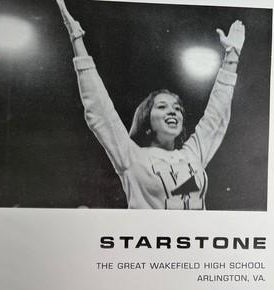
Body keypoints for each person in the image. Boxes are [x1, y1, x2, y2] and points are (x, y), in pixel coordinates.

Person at [55, 0, 245, 210]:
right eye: (162, 106)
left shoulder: (192, 154)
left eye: (177, 108)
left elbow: (215, 116)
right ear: (147, 120)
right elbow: (100, 111)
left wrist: (232, 56)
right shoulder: (132, 157)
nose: (173, 110)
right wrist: (77, 40)